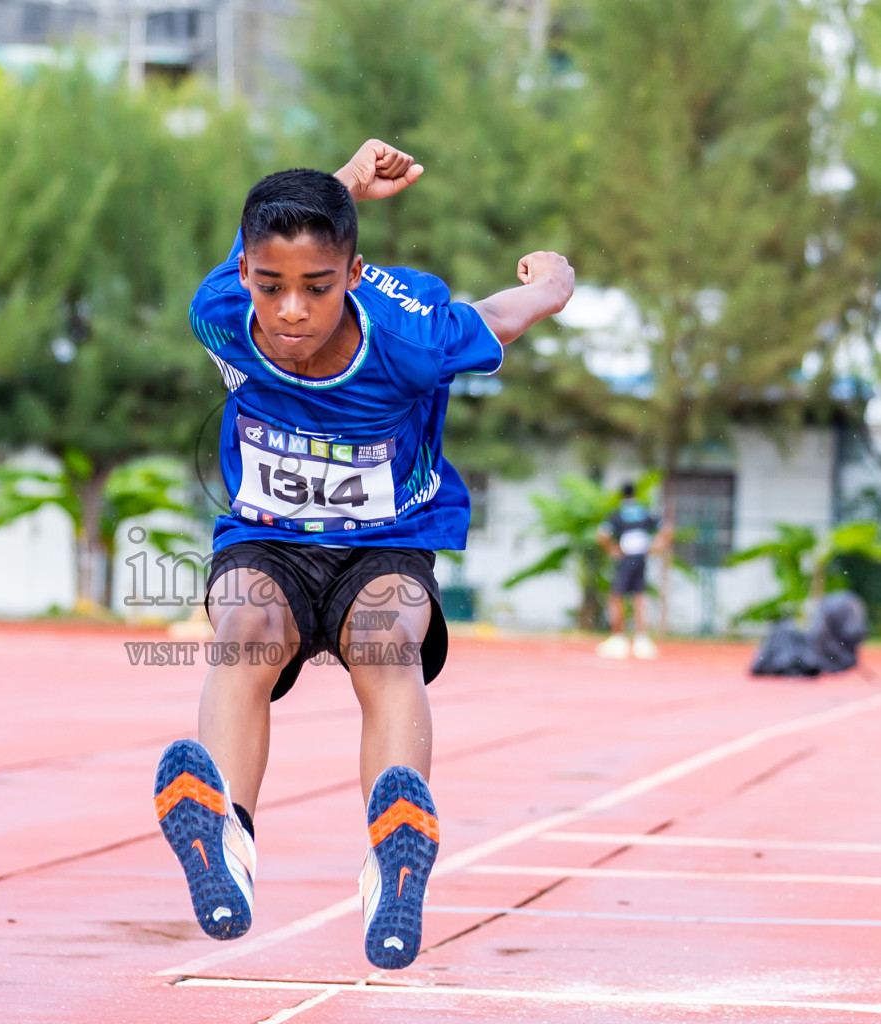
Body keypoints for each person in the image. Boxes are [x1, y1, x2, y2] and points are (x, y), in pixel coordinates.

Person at [151, 140, 574, 970]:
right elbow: (276, 247)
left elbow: (506, 318)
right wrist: (340, 185)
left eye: (316, 288)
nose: (292, 311)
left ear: (350, 275)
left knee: (389, 642)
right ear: (245, 277)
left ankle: (394, 859)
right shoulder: (218, 315)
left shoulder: (414, 335)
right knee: (245, 629)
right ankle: (227, 845)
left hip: (387, 544)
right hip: (267, 541)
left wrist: (553, 281)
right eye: (270, 287)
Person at [595, 482, 670, 660]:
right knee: (639, 595)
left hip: (627, 558)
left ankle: (618, 638)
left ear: (622, 496)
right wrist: (657, 546)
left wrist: (612, 549)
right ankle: (641, 639)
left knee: (616, 595)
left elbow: (602, 534)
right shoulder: (644, 512)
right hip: (641, 557)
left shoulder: (618, 514)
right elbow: (666, 528)